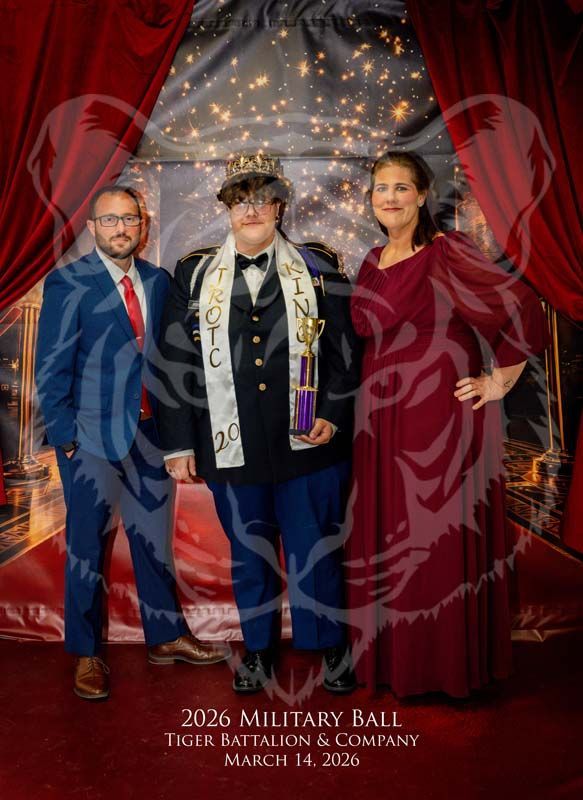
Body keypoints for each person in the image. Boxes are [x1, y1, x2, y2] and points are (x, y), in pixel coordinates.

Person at [347, 151, 549, 698]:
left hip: (439, 415)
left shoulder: (446, 250)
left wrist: (498, 381)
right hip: (380, 418)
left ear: (421, 194)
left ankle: (445, 665)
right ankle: (394, 661)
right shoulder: (370, 259)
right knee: (392, 534)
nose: (388, 197)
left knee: (433, 540)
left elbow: (521, 304)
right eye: (380, 188)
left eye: (400, 188)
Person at [158, 154, 361, 694]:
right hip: (232, 442)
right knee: (250, 555)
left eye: (261, 198)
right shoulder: (195, 271)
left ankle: (330, 645)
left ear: (278, 205)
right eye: (239, 199)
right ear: (225, 208)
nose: (250, 209)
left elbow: (344, 348)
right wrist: (178, 442)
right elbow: (175, 360)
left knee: (315, 547)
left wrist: (334, 416)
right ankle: (260, 650)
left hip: (308, 437)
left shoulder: (318, 264)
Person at [35, 185, 229, 701]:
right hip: (91, 442)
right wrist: (67, 439)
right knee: (85, 551)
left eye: (129, 220)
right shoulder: (68, 282)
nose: (121, 229)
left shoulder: (158, 281)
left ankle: (164, 638)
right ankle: (85, 652)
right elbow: (51, 370)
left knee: (153, 544)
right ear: (93, 227)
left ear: (141, 226)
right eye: (109, 221)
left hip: (150, 439)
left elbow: (169, 359)